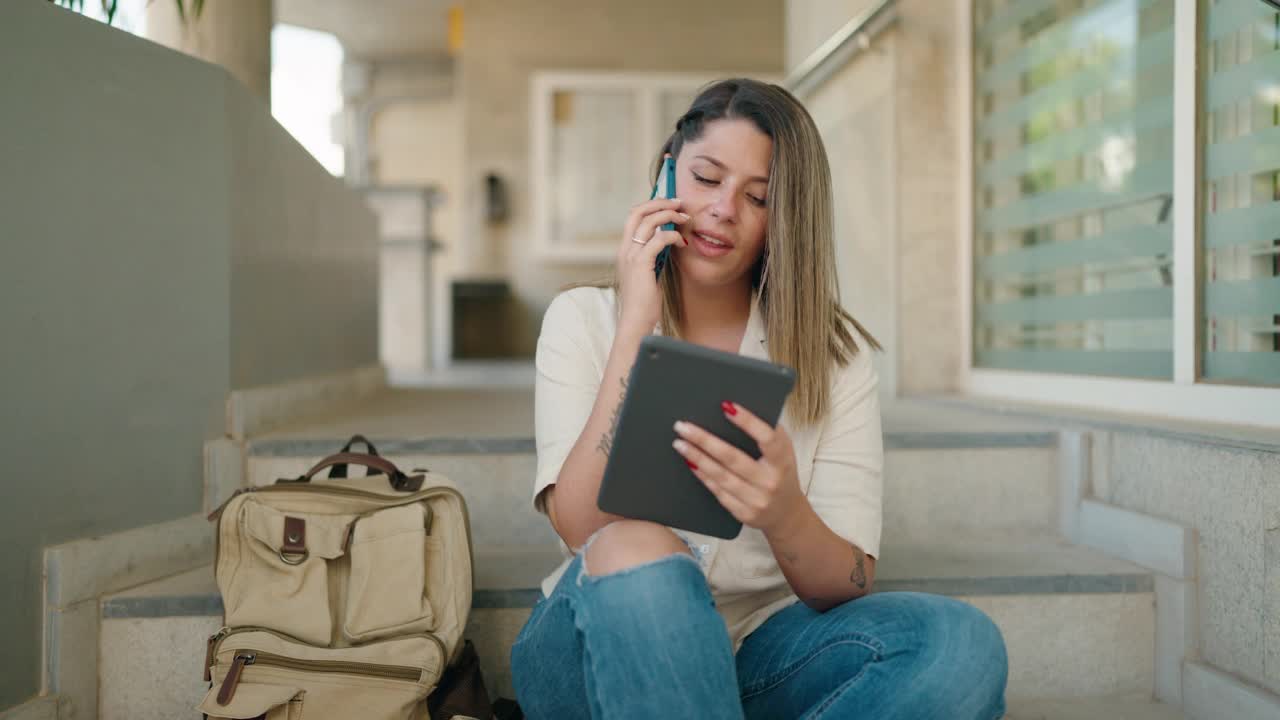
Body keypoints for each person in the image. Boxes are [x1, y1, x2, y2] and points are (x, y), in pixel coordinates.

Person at [510, 77, 1008, 720]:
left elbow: (846, 585)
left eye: (759, 197)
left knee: (958, 647)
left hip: (759, 657)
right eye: (706, 177)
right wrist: (637, 324)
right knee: (639, 547)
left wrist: (784, 511)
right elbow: (579, 525)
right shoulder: (582, 319)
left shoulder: (835, 357)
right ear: (667, 174)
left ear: (786, 217)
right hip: (596, 649)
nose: (723, 209)